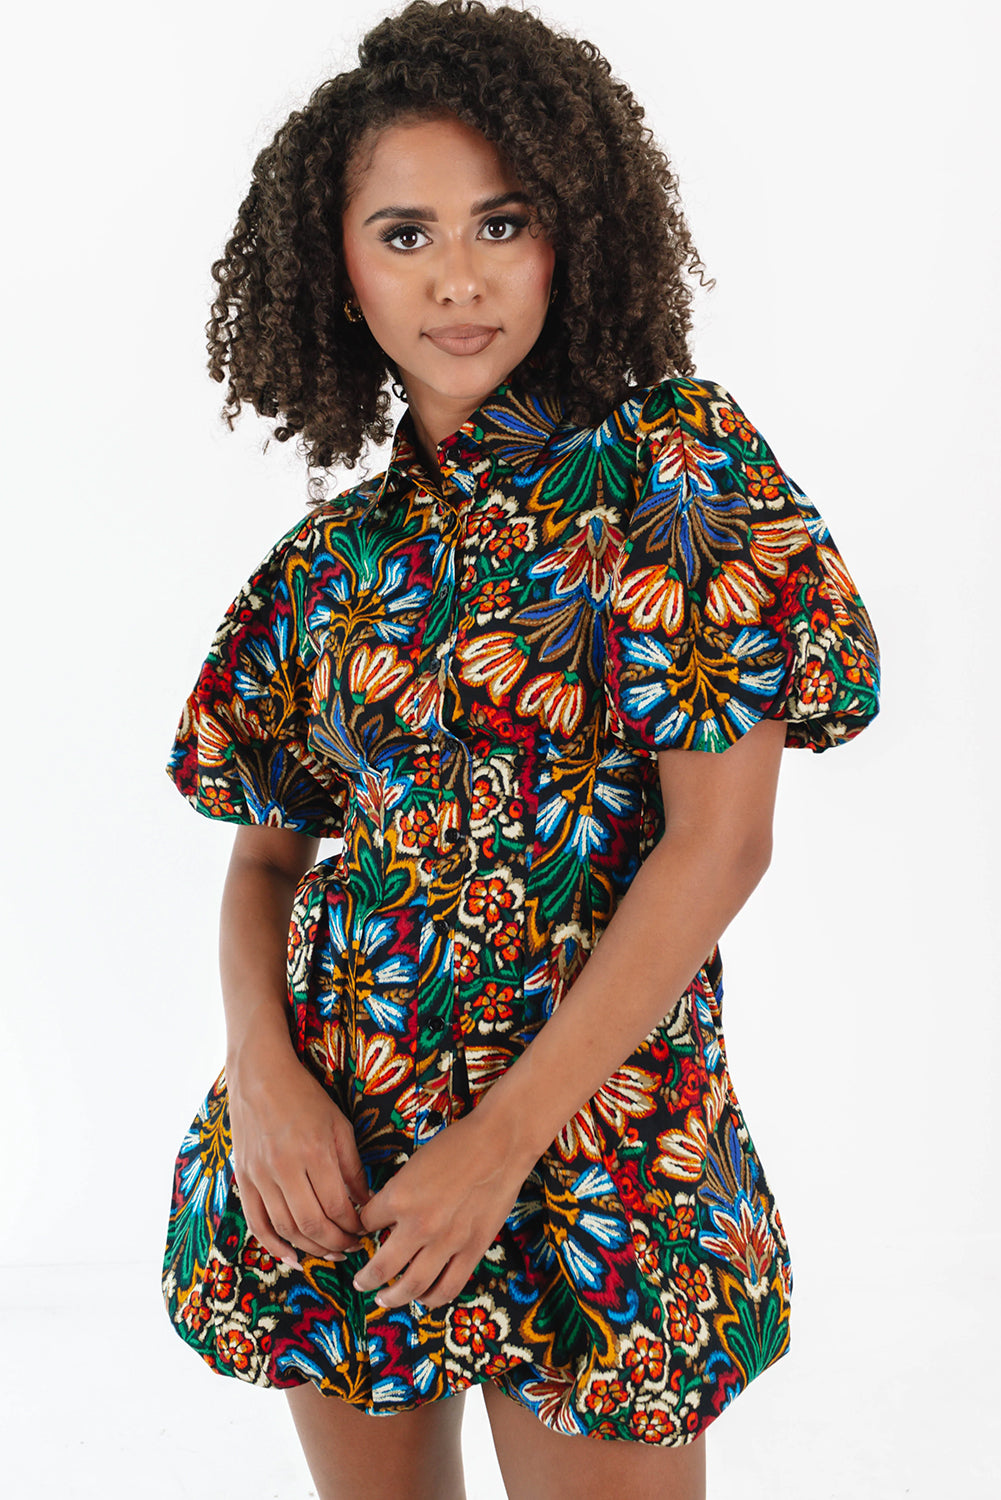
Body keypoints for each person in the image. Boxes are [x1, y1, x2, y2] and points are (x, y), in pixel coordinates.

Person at [161, 3, 880, 1496]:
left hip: (595, 1138)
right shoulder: (331, 560)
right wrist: (268, 1079)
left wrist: (500, 1148)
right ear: (335, 265)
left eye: (502, 221)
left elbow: (720, 841)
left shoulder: (674, 471)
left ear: (575, 230)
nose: (460, 277)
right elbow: (264, 858)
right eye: (403, 234)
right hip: (337, 1139)